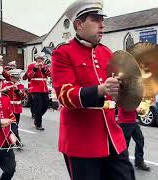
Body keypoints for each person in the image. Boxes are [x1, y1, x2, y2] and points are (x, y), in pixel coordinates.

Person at [51, 0, 135, 179]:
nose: (102, 25)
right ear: (79, 24)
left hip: (113, 136)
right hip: (82, 141)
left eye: (102, 19)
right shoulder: (63, 53)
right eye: (95, 19)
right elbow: (65, 96)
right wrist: (100, 90)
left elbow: (117, 92)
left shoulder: (107, 53)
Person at [117, 107, 150, 171]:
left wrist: (139, 109)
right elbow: (124, 107)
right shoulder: (122, 97)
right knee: (125, 145)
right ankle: (123, 164)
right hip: (124, 122)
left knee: (140, 140)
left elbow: (133, 104)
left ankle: (139, 162)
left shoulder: (133, 97)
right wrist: (135, 109)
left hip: (133, 122)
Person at [25, 52, 50, 130]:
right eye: (39, 59)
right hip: (35, 88)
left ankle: (36, 117)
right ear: (36, 59)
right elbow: (29, 76)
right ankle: (38, 124)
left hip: (44, 88)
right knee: (38, 106)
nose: (40, 60)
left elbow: (49, 74)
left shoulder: (44, 66)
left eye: (41, 59)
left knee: (45, 105)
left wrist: (44, 68)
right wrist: (35, 69)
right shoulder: (31, 66)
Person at [2, 69, 26, 147]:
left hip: (17, 108)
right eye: (13, 77)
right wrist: (4, 91)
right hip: (8, 108)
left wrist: (18, 91)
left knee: (15, 125)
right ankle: (16, 140)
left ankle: (13, 140)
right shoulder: (6, 84)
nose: (15, 79)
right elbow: (0, 94)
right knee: (10, 125)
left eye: (16, 78)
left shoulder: (20, 85)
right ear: (11, 77)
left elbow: (24, 96)